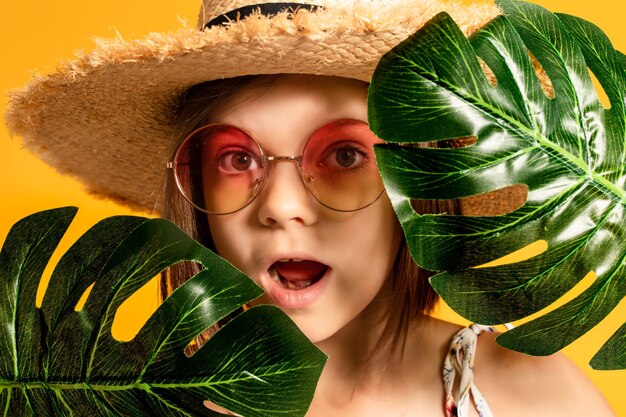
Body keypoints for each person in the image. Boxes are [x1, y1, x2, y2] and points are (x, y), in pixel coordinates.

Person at [5, 0, 616, 416]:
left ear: (418, 177)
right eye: (236, 160)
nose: (282, 208)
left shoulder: (529, 397)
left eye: (345, 156)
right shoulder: (125, 400)